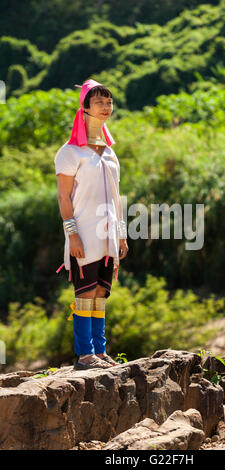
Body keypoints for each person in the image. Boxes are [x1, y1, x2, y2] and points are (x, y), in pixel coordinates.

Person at [54, 78, 128, 369]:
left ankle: (100, 350)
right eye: (99, 101)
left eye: (109, 101)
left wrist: (121, 235)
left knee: (101, 292)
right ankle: (85, 354)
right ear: (84, 108)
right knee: (84, 292)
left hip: (109, 236)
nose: (106, 106)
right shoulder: (70, 152)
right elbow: (63, 197)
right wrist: (71, 234)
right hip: (83, 233)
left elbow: (117, 198)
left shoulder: (110, 153)